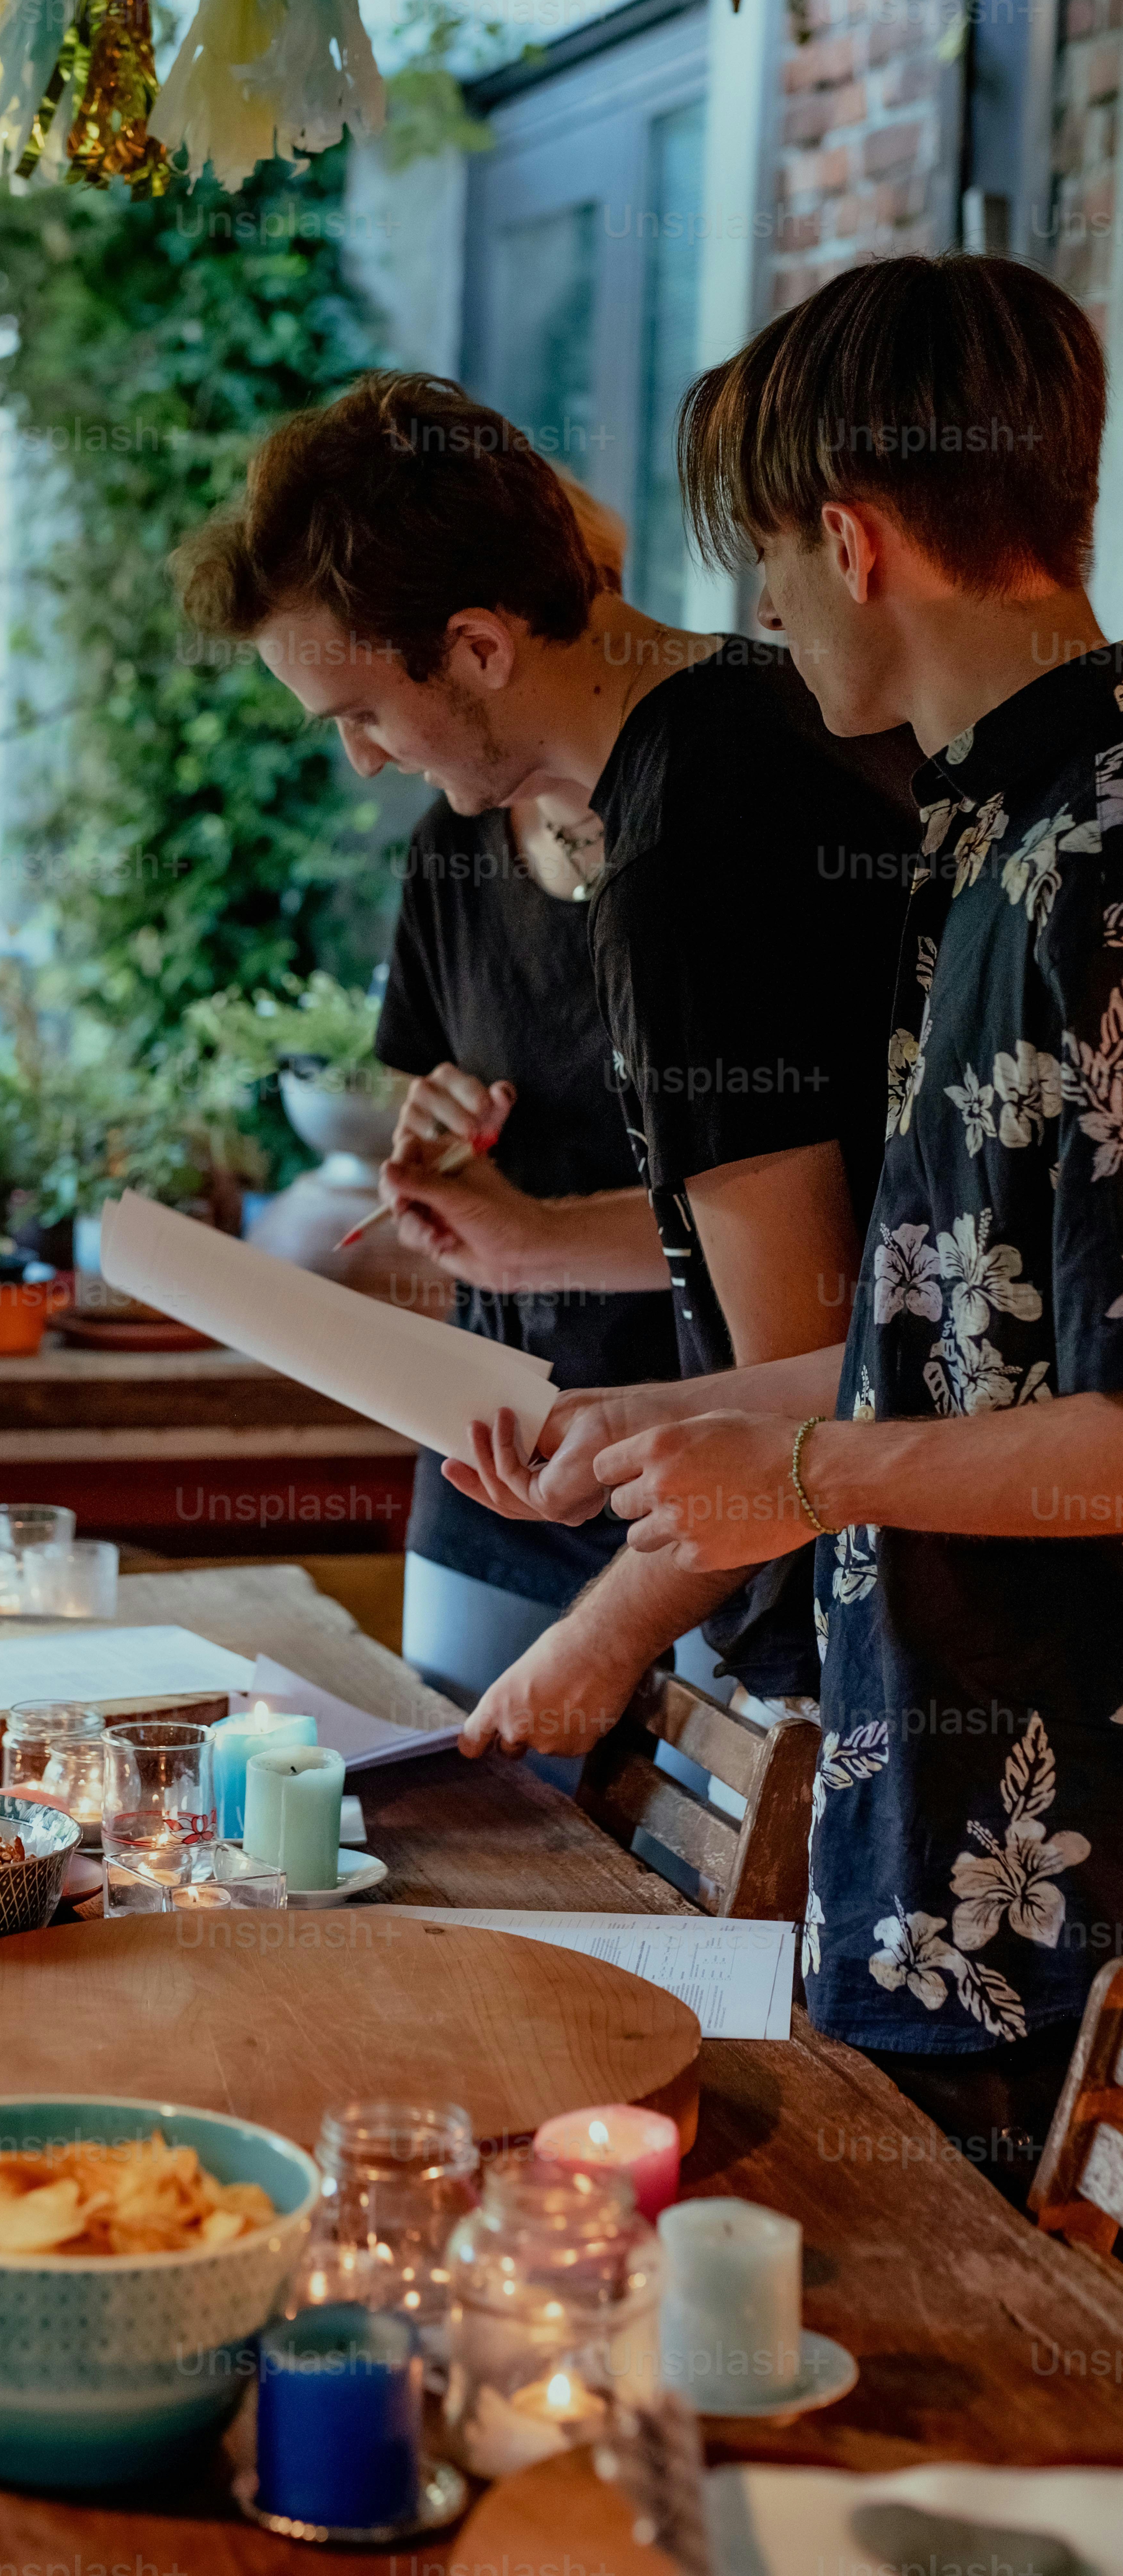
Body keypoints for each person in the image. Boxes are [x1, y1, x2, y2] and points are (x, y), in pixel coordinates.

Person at [461, 254, 1122, 2193]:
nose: (752, 609)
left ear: (850, 537)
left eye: (763, 556)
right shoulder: (986, 829)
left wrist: (808, 1468)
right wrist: (667, 1440)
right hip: (924, 1842)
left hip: (1058, 1894)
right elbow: (968, 1334)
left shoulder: (1097, 858)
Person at [170, 374, 917, 1715]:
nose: (356, 758)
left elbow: (800, 1377)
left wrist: (601, 1633)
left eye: (358, 713)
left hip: (808, 1594)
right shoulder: (734, 741)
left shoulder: (691, 837)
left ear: (476, 646)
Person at [372, 476, 679, 1737]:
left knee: (675, 1871)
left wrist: (530, 1232)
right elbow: (418, 1137)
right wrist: (432, 1138)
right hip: (490, 1439)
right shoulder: (450, 846)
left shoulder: (697, 834)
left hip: (686, 1459)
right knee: (448, 1797)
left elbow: (839, 1225)